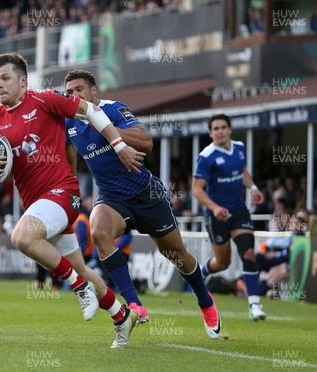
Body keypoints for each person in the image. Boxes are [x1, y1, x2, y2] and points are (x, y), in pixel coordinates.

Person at [0, 53, 146, 348]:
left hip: (64, 193)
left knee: (22, 237)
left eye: (6, 78)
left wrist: (118, 144)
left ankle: (77, 287)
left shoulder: (45, 100)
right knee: (86, 270)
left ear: (23, 81)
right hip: (38, 205)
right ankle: (121, 315)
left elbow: (90, 111)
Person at [64, 69, 221, 338]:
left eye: (79, 90)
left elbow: (146, 141)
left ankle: (205, 301)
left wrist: (109, 132)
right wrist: (72, 196)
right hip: (112, 199)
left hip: (146, 194)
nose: (73, 96)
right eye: (69, 92)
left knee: (176, 255)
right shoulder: (69, 124)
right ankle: (134, 303)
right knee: (99, 231)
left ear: (93, 91)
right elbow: (70, 167)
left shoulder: (113, 110)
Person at [192, 113, 267, 321]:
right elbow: (196, 190)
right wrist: (215, 208)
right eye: (215, 128)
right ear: (210, 133)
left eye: (223, 127)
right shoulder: (206, 156)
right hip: (217, 216)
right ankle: (199, 272)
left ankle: (254, 306)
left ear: (230, 129)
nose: (220, 131)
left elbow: (241, 169)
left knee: (249, 253)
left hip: (239, 210)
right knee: (223, 263)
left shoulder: (240, 148)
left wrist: (252, 187)